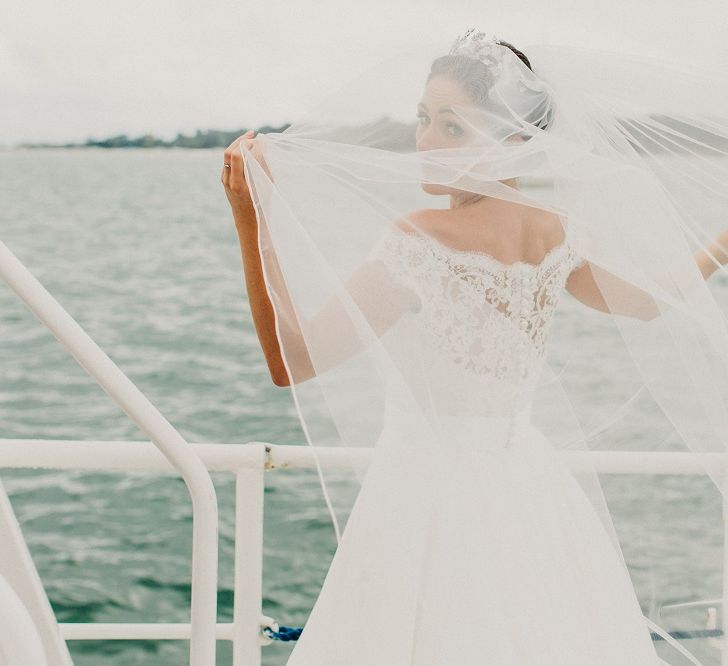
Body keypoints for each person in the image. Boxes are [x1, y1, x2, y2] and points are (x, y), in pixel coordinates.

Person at [222, 29, 728, 664]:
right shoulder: (556, 233)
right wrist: (721, 243)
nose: (426, 142)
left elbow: (289, 363)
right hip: (531, 497)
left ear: (513, 140)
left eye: (453, 128)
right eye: (423, 120)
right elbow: (652, 300)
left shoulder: (417, 242)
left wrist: (252, 218)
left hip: (423, 502)